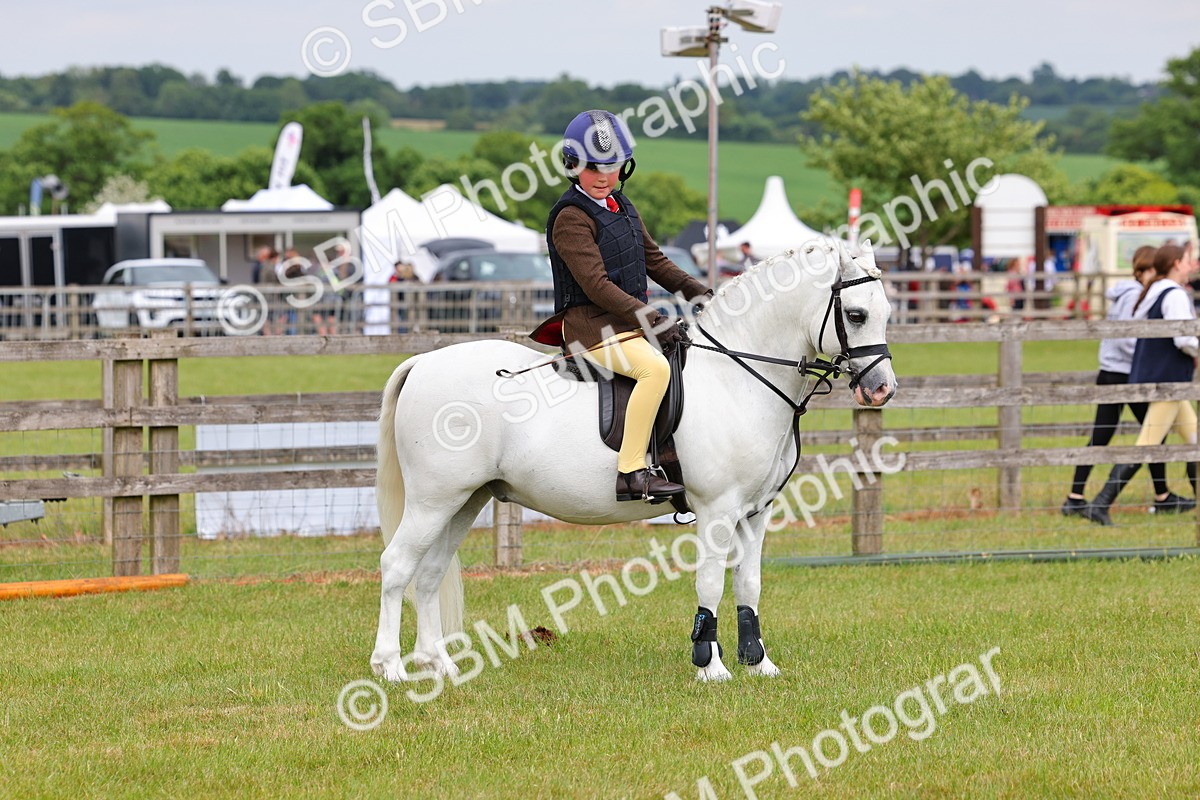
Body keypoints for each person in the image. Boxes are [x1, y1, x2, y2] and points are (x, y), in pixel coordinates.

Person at [538, 109, 711, 502]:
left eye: (612, 167)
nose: (604, 177)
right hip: (590, 328)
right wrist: (654, 319)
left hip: (624, 325)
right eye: (593, 167)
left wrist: (703, 294)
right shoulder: (570, 218)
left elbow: (656, 261)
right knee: (654, 369)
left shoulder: (622, 205)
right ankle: (632, 473)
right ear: (572, 165)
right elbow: (597, 287)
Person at [1062, 246, 1188, 517]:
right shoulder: (1133, 294)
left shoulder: (1133, 293)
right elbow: (1127, 337)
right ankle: (1095, 500)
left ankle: (1078, 496)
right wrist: (1148, 357)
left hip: (1116, 371)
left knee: (1138, 434)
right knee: (1146, 436)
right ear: (1147, 270)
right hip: (1124, 374)